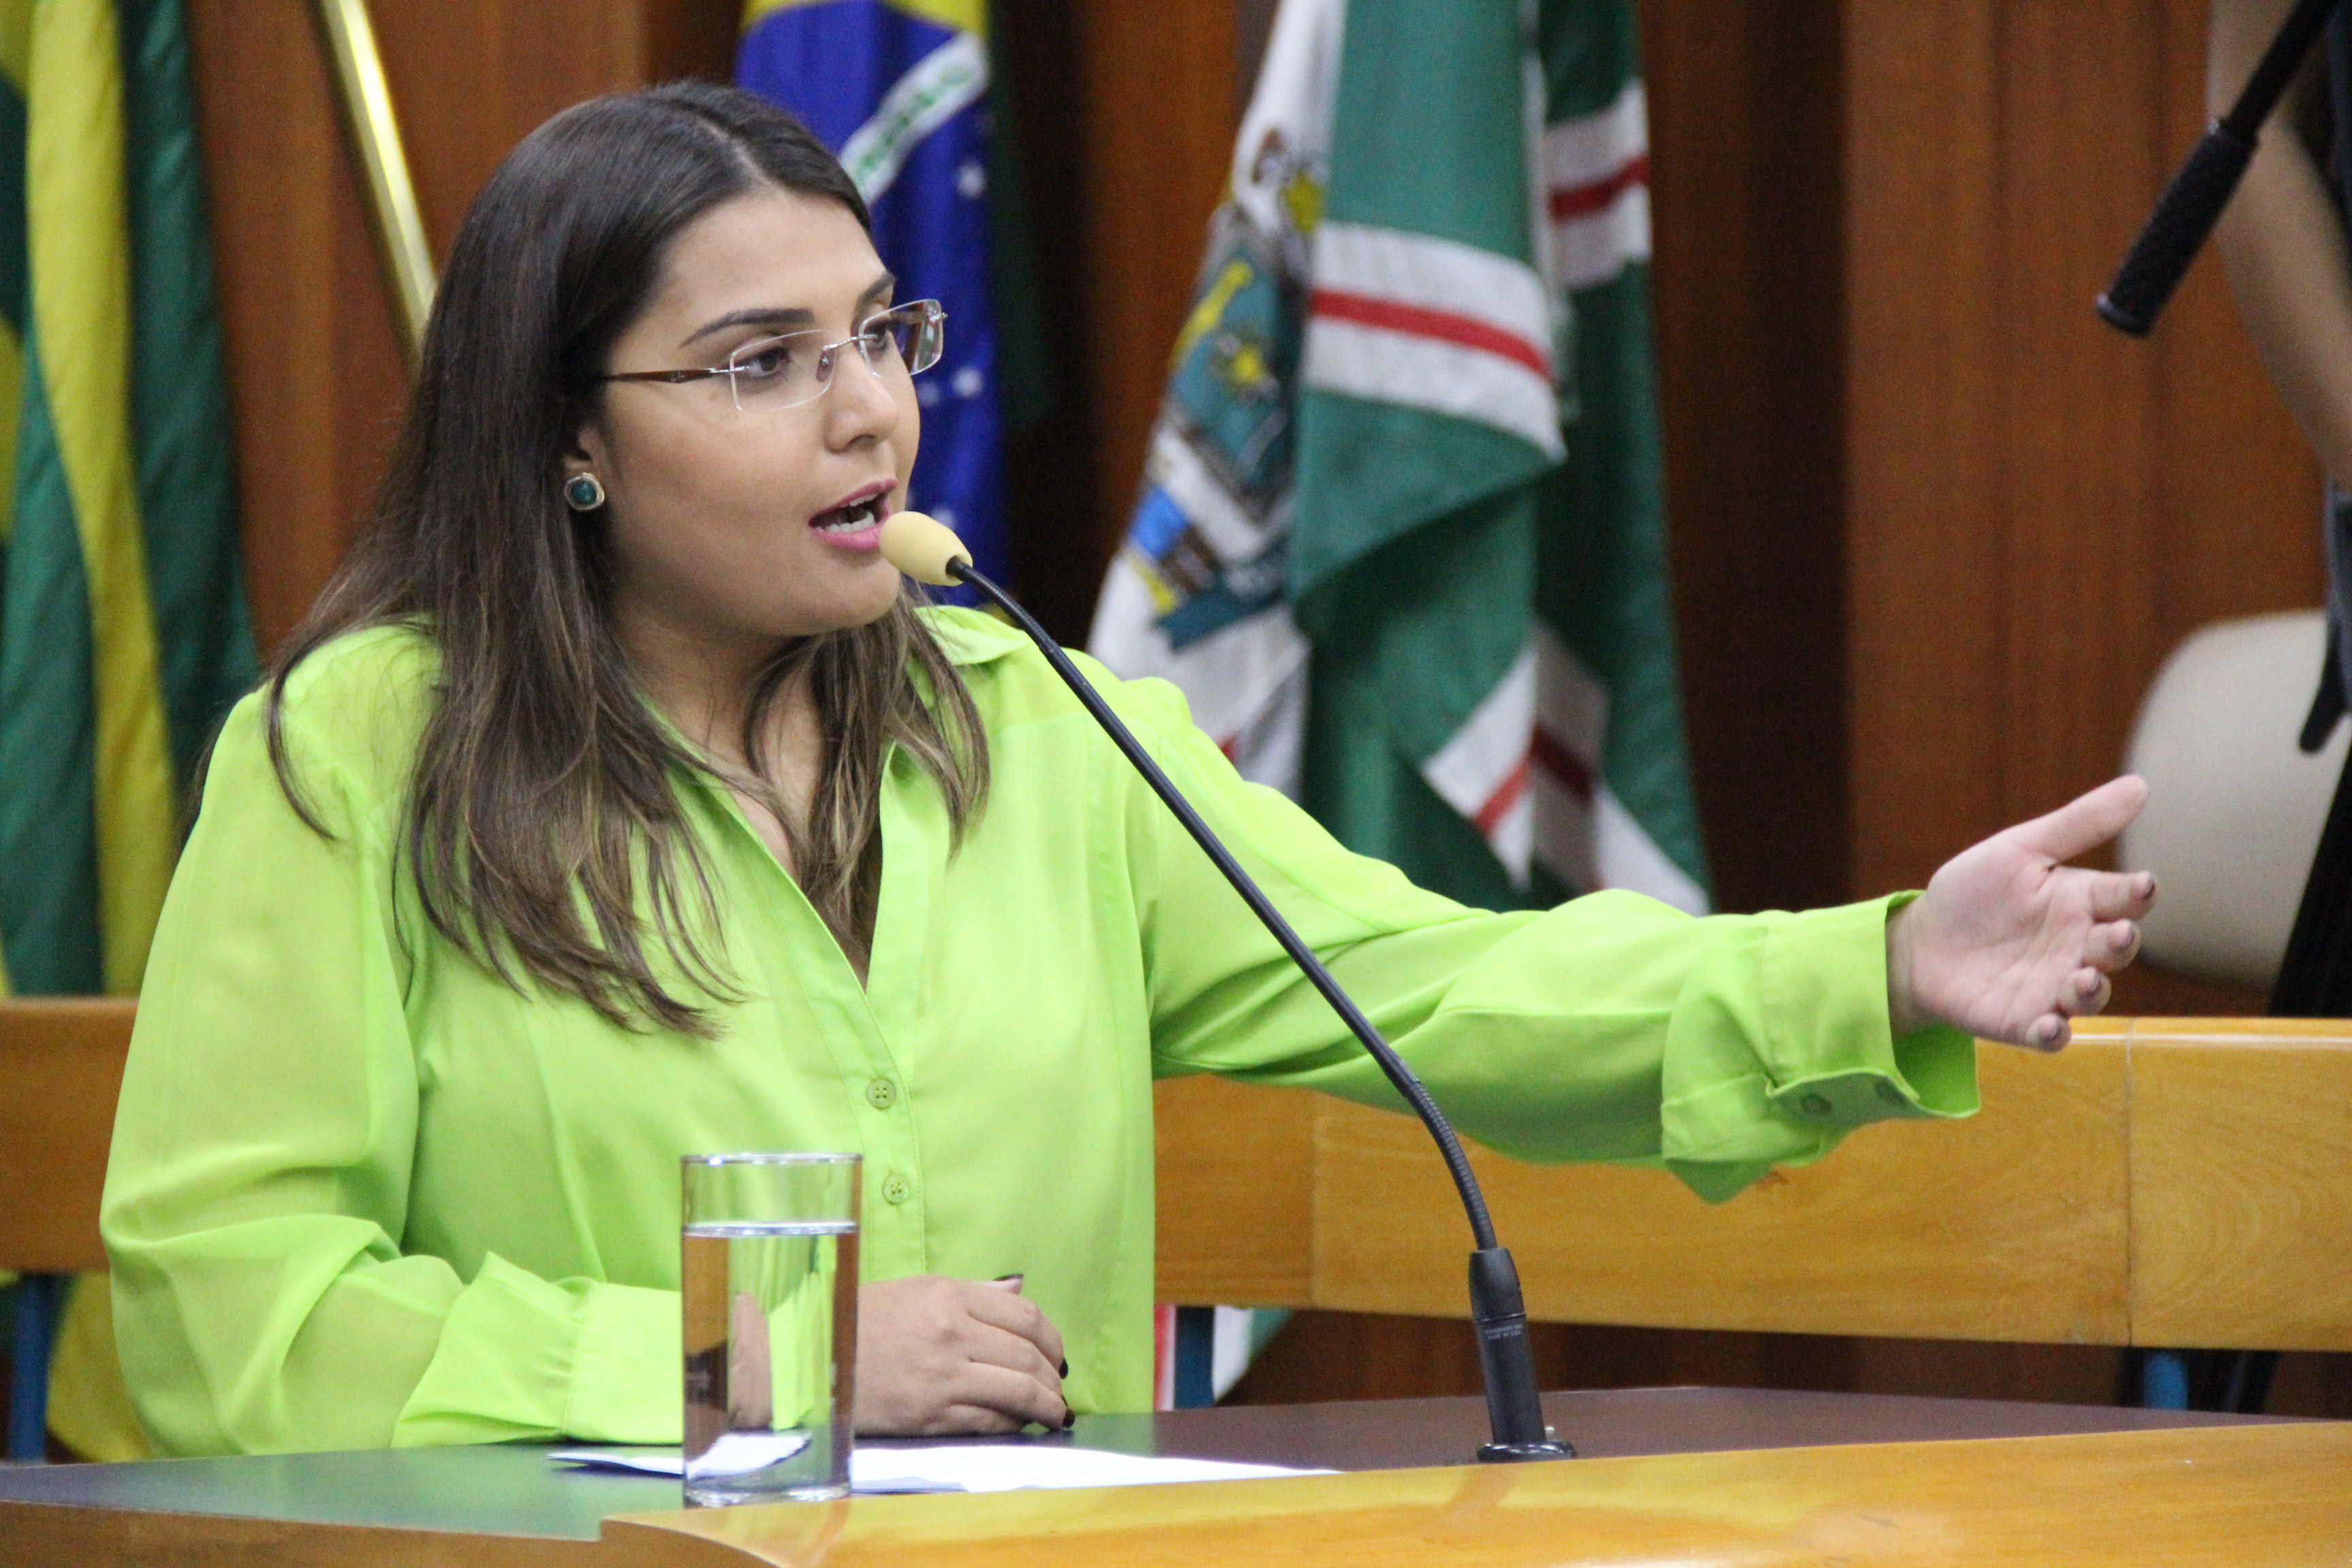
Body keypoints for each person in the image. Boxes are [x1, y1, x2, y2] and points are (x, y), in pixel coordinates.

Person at [99, 82, 2157, 1457]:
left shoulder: (1037, 730)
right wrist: (735, 1369)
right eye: (760, 364)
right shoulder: (361, 755)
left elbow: (1437, 984)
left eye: (877, 334)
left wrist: (1874, 969)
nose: (864, 415)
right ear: (566, 441)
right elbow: (227, 1311)